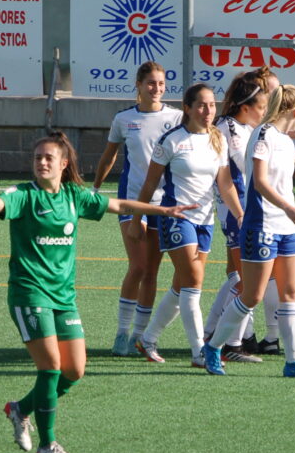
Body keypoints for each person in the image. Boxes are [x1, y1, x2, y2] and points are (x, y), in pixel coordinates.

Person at [0, 132, 195, 453]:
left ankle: (20, 408)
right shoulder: (25, 195)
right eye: (37, 157)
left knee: (75, 370)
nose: (41, 162)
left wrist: (162, 211)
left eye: (48, 158)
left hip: (63, 297)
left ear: (63, 164)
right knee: (51, 366)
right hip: (29, 292)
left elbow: (120, 205)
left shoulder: (74, 196)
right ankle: (46, 446)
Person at [201, 85, 295, 378]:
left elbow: (284, 188)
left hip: (287, 229)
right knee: (252, 295)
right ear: (294, 110)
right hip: (262, 226)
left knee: (290, 293)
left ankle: (293, 362)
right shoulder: (264, 135)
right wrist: (287, 209)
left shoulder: (286, 140)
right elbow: (259, 182)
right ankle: (214, 346)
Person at [132, 83, 243, 367]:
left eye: (212, 105)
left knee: (182, 286)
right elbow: (149, 185)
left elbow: (226, 184)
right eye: (202, 106)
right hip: (176, 218)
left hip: (205, 221)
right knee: (194, 281)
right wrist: (137, 218)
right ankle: (200, 352)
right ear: (188, 108)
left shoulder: (217, 138)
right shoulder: (171, 140)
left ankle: (147, 338)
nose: (208, 111)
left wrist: (240, 215)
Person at [91, 62, 182, 357]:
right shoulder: (124, 119)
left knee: (152, 271)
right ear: (139, 85)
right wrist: (94, 187)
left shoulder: (177, 117)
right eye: (151, 83)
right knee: (138, 266)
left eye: (161, 83)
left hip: (163, 204)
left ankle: (139, 336)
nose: (156, 89)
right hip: (131, 201)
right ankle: (121, 332)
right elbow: (109, 155)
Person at [203, 71, 268, 364]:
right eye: (261, 107)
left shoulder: (241, 125)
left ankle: (211, 331)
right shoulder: (228, 127)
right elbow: (236, 170)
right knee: (245, 279)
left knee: (238, 276)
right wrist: (241, 213)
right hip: (236, 211)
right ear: (245, 107)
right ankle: (231, 343)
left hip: (244, 210)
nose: (264, 113)